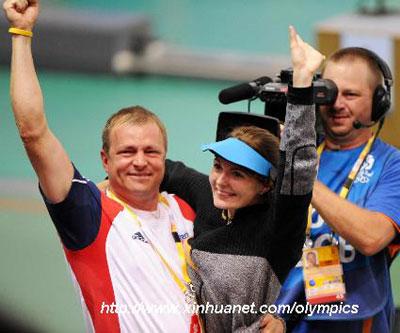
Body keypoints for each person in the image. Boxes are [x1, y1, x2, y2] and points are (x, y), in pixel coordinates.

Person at [3, 0, 201, 332]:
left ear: (165, 156)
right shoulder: (88, 213)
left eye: (151, 151)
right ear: (105, 161)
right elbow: (33, 133)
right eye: (127, 152)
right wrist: (22, 33)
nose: (140, 161)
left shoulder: (187, 210)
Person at [158, 26, 323, 332]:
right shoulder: (209, 196)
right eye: (218, 166)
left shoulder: (276, 228)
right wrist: (101, 186)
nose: (221, 180)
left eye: (238, 174)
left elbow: (298, 171)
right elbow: (160, 168)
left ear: (266, 184)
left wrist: (302, 83)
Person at [275, 46, 400, 332]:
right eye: (329, 91)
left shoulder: (393, 165)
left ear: (379, 102)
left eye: (351, 94)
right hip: (286, 317)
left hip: (356, 321)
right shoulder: (297, 152)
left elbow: (372, 237)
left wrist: (302, 175)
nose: (336, 103)